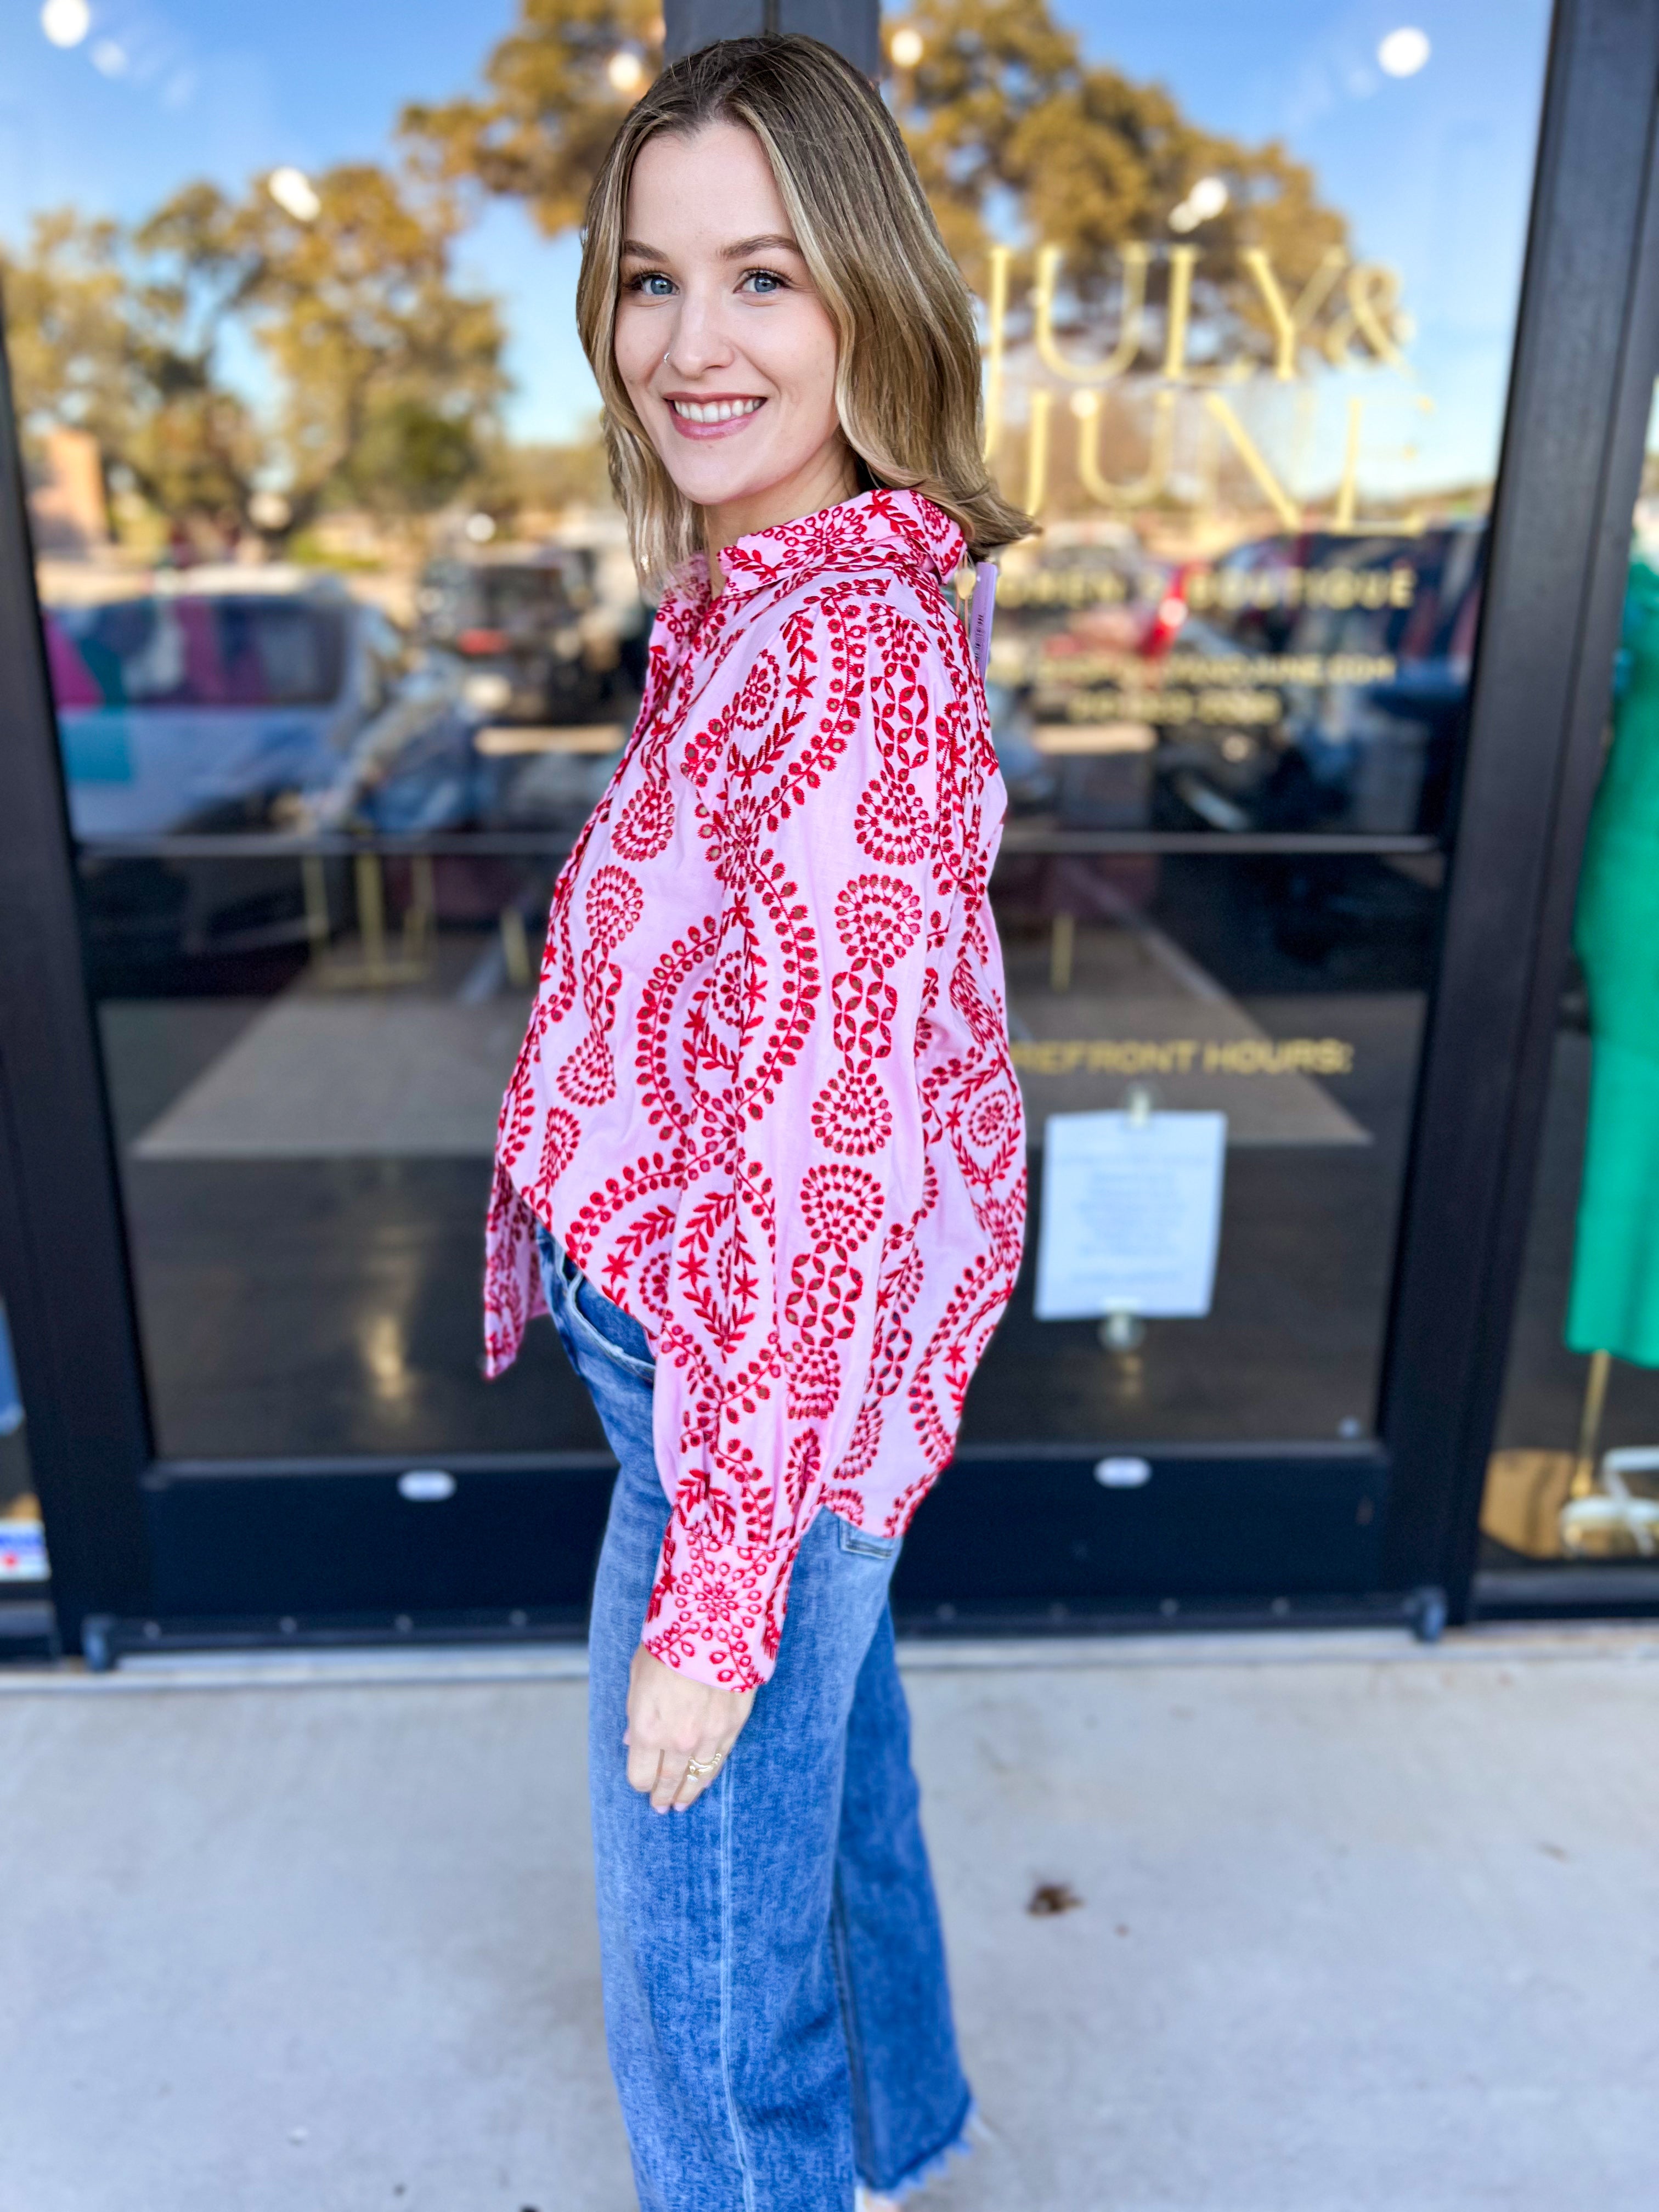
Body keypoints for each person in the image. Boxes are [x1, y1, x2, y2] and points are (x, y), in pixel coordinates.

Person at [482, 35, 1030, 2210]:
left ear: (869, 304)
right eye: (649, 280)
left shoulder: (839, 671)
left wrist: (719, 1601)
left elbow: (825, 1165)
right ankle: (914, 2136)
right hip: (758, 1373)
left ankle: (824, 2156)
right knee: (841, 1795)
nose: (690, 346)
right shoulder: (773, 596)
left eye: (765, 280)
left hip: (752, 1408)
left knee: (712, 2004)